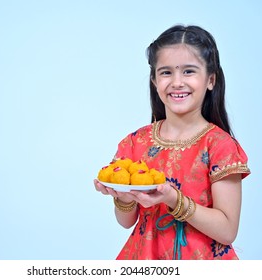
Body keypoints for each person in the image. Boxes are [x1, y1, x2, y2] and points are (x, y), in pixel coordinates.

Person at [94, 24, 250, 260]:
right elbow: (126, 222)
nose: (177, 82)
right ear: (155, 81)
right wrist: (123, 197)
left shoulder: (220, 146)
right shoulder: (135, 143)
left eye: (189, 71)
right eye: (166, 72)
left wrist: (173, 200)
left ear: (210, 80)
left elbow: (228, 231)